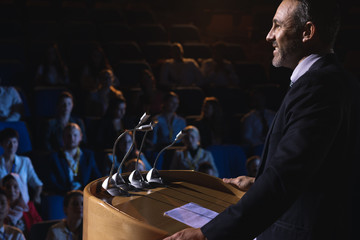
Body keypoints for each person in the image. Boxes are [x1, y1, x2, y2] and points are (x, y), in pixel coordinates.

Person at [164, 0, 360, 239]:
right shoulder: (343, 80)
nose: (268, 36)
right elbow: (320, 169)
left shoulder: (317, 87)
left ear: (307, 32)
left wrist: (207, 235)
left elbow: (283, 180)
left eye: (277, 26)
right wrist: (259, 182)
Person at [43, 123, 101, 195]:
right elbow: (51, 182)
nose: (72, 138)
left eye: (75, 135)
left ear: (80, 137)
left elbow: (96, 177)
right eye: (68, 136)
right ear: (63, 137)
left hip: (85, 194)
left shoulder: (88, 155)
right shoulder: (54, 157)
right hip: (63, 194)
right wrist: (67, 191)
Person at [0, 128, 43, 205]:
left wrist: (37, 196)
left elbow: (37, 184)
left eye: (14, 142)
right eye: (8, 142)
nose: (11, 146)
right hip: (3, 205)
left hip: (22, 205)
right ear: (2, 144)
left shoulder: (25, 161)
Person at [2, 173, 42, 238]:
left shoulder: (29, 207)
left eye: (15, 187)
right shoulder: (2, 208)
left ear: (21, 189)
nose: (12, 191)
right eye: (8, 187)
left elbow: (39, 228)